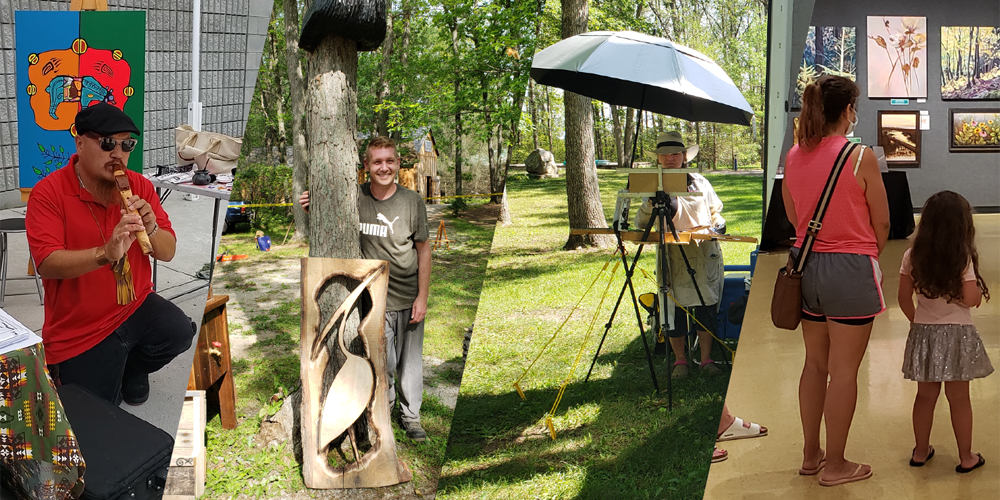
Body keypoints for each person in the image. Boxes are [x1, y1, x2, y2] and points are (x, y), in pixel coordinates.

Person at [26, 103, 193, 406]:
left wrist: (152, 228)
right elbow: (47, 264)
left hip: (134, 304)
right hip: (81, 327)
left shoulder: (140, 185)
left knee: (178, 331)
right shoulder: (48, 193)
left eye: (126, 144)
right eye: (106, 143)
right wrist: (105, 252)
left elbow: (167, 253)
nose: (118, 153)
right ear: (79, 142)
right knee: (101, 414)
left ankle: (134, 368)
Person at [782, 75, 890, 486]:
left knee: (815, 364)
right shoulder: (859, 156)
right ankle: (837, 464)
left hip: (805, 265)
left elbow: (794, 218)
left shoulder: (794, 155)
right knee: (844, 372)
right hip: (849, 267)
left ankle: (812, 455)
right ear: (847, 111)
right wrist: (868, 252)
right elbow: (882, 220)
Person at [299, 136, 431, 442]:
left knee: (410, 363)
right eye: (377, 162)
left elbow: (424, 250)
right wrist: (312, 210)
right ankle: (380, 414)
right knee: (381, 361)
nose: (383, 167)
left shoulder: (412, 202)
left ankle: (411, 418)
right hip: (373, 299)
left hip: (409, 296)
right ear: (366, 166)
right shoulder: (354, 198)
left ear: (398, 163)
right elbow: (333, 226)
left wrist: (422, 297)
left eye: (389, 161)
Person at [899, 191, 991, 473]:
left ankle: (921, 450)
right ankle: (966, 457)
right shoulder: (962, 257)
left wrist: (918, 322)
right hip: (957, 335)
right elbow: (969, 297)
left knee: (924, 397)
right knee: (959, 399)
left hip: (924, 332)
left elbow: (903, 298)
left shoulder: (912, 255)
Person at [634, 131, 726, 378]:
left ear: (684, 156)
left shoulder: (700, 182)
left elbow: (715, 210)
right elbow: (641, 222)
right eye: (664, 155)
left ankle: (707, 360)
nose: (670, 159)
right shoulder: (654, 185)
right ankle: (680, 361)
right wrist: (652, 203)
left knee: (705, 307)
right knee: (672, 308)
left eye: (675, 154)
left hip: (702, 252)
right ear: (658, 159)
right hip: (672, 254)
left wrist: (719, 223)